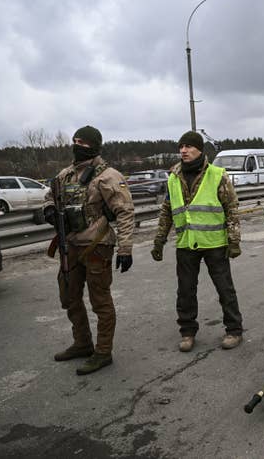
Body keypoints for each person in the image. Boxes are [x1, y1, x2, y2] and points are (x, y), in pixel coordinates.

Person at [44, 125, 135, 376]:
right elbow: (49, 197)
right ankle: (82, 343)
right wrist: (50, 209)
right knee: (69, 297)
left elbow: (125, 212)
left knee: (100, 302)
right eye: (74, 141)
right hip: (70, 246)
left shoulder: (108, 176)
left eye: (82, 142)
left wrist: (125, 249)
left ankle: (103, 352)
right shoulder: (64, 175)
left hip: (97, 246)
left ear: (94, 146)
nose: (77, 145)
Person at [151, 131, 243, 352]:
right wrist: (159, 240)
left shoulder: (217, 174)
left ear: (200, 149)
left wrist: (234, 240)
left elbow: (231, 209)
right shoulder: (173, 177)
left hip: (214, 242)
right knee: (185, 291)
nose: (183, 150)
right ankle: (187, 332)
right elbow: (167, 211)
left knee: (225, 289)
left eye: (189, 146)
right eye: (181, 146)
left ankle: (234, 330)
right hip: (186, 242)